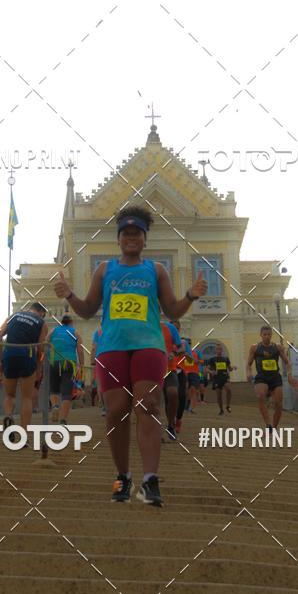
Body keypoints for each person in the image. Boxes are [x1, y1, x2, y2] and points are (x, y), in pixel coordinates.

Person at [54, 205, 207, 506]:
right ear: (119, 238)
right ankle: (123, 476)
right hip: (111, 348)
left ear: (145, 239)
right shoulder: (105, 270)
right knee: (116, 411)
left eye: (137, 233)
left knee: (147, 405)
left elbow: (173, 310)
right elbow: (86, 310)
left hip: (149, 347)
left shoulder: (156, 271)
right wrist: (68, 294)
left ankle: (149, 481)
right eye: (126, 233)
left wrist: (191, 295)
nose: (132, 238)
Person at [0, 303, 47, 447]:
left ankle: (8, 415)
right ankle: (24, 437)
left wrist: (0, 361)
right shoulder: (42, 323)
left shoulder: (13, 316)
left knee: (10, 395)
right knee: (26, 397)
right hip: (26, 355)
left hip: (9, 353)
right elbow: (40, 347)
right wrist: (39, 366)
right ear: (41, 313)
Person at [246, 325, 298, 432]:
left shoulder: (277, 347)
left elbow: (287, 362)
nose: (267, 337)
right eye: (264, 334)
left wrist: (289, 375)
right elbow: (248, 364)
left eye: (269, 334)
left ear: (271, 335)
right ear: (261, 335)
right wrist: (248, 373)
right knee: (260, 396)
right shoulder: (255, 348)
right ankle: (268, 423)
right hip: (262, 377)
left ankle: (274, 427)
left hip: (275, 377)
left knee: (278, 404)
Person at [48, 315, 84, 426]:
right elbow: (80, 349)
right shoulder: (74, 332)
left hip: (54, 361)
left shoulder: (53, 330)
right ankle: (63, 420)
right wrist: (81, 365)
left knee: (53, 390)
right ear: (71, 322)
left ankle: (55, 406)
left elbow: (45, 343)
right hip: (69, 362)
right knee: (67, 393)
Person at [161, 319, 183, 441]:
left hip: (169, 368)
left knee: (173, 394)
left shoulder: (170, 328)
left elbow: (181, 348)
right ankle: (153, 430)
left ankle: (170, 425)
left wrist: (173, 353)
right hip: (150, 370)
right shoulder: (143, 327)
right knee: (151, 401)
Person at [207, 344, 236, 415]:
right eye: (217, 349)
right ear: (215, 350)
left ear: (222, 350)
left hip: (225, 377)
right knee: (219, 395)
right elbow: (206, 369)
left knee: (228, 389)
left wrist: (233, 368)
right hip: (217, 379)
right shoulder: (212, 359)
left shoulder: (226, 359)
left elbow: (229, 368)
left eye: (220, 349)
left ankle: (228, 406)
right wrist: (211, 372)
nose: (219, 350)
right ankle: (221, 410)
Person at [90, 324, 105, 415]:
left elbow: (94, 347)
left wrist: (92, 360)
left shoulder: (98, 332)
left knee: (100, 384)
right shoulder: (115, 328)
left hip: (100, 358)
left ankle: (104, 407)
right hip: (114, 356)